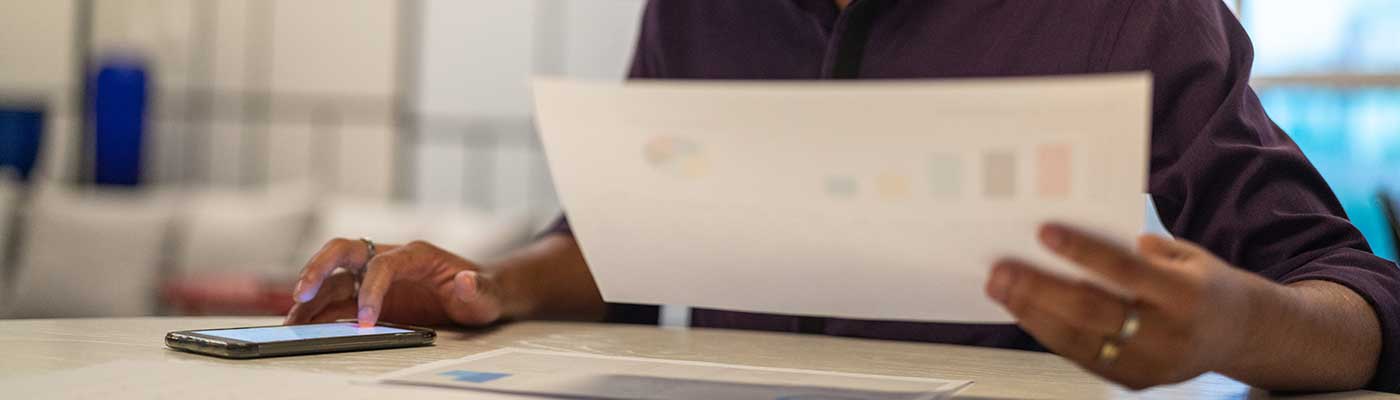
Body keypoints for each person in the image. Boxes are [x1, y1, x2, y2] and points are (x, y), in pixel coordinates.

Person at [284, 0, 1400, 393]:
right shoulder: (697, 8)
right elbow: (633, 234)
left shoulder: (1125, 6)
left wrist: (1229, 324)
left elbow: (1356, 299)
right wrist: (489, 284)